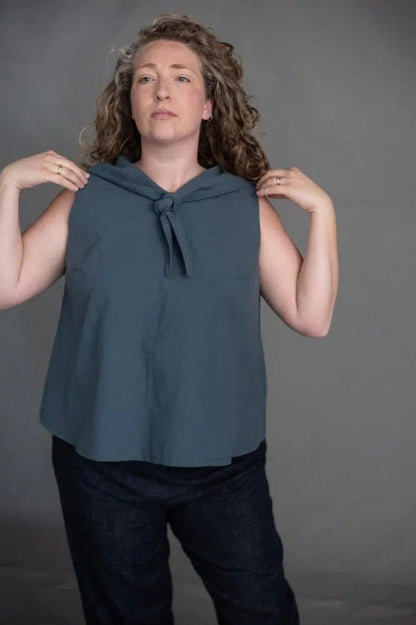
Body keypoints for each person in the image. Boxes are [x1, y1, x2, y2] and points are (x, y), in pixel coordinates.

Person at [0, 13, 338, 625]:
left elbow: (311, 318)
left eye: (181, 77)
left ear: (207, 105)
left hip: (221, 465)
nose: (161, 90)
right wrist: (6, 187)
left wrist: (323, 213)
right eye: (146, 78)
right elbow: (6, 286)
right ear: (129, 104)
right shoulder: (86, 196)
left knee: (261, 610)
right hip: (100, 462)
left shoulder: (245, 205)